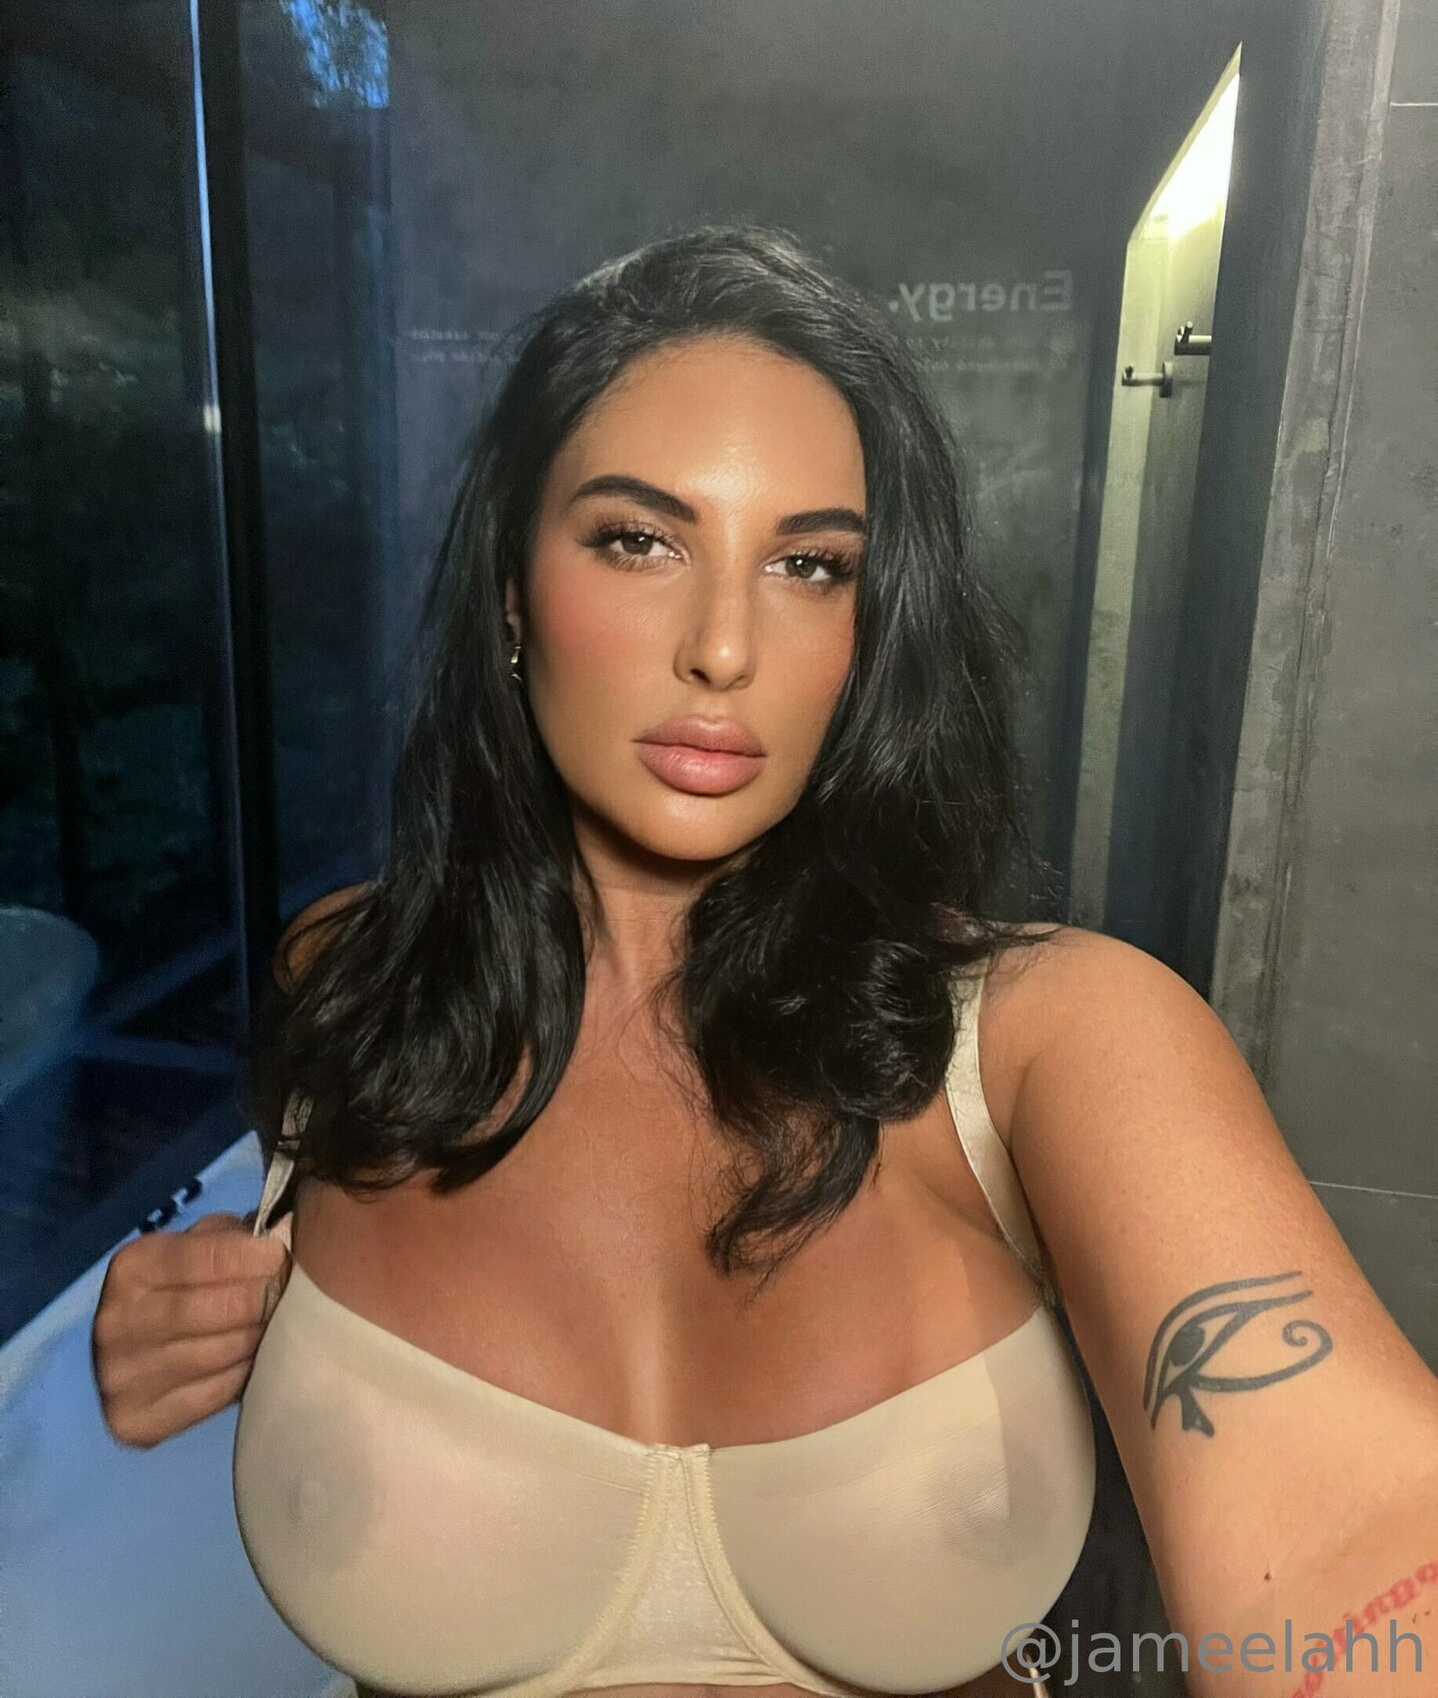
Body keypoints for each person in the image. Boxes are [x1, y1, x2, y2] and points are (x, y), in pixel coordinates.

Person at [93, 226, 1438, 1698]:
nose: (724, 648)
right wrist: (228, 1322)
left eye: (809, 565)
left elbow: (1353, 1534)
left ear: (871, 628)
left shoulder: (1052, 1038)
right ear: (509, 591)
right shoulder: (353, 980)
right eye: (638, 539)